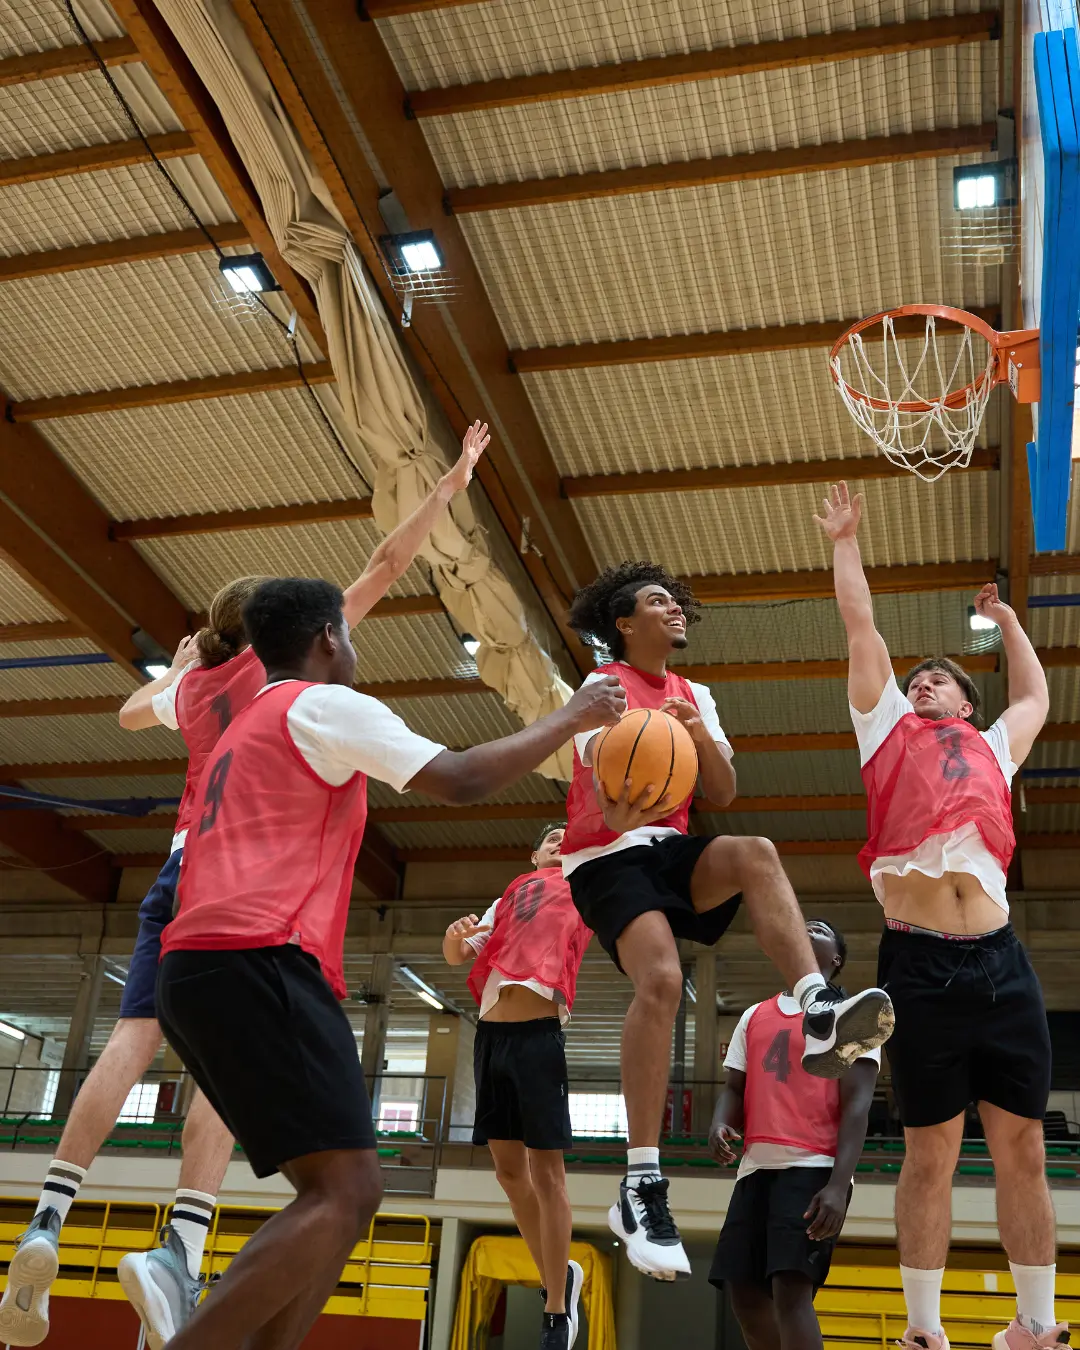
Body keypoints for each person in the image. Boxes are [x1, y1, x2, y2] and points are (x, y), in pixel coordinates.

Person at [0, 421, 491, 1350]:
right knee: (232, 1058)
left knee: (134, 1039)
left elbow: (126, 711)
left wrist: (179, 671)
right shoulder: (286, 676)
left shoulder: (197, 689)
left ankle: (49, 1216)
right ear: (296, 629)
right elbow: (388, 562)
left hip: (180, 865)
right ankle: (183, 1241)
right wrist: (451, 482)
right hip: (242, 880)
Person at [152, 575, 626, 1350]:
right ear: (329, 638)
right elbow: (462, 778)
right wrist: (571, 716)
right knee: (346, 1191)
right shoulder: (321, 703)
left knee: (338, 1195)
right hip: (257, 954)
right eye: (351, 631)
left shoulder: (241, 725)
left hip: (195, 968)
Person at [561, 561, 894, 1281]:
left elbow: (724, 789)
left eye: (676, 602)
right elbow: (615, 803)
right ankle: (641, 1182)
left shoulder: (694, 693)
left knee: (755, 852)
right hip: (604, 855)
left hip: (669, 847)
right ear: (624, 624)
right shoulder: (598, 689)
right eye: (658, 602)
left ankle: (820, 1009)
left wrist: (695, 735)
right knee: (661, 980)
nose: (675, 609)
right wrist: (643, 753)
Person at [815, 483, 1063, 1350]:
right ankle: (924, 1332)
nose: (922, 684)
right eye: (916, 681)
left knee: (1023, 1146)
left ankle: (1035, 1323)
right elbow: (862, 632)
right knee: (931, 1156)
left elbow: (1033, 699)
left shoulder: (994, 747)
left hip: (999, 963)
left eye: (939, 681)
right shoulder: (885, 730)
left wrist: (1010, 624)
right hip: (917, 965)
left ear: (964, 701)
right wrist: (846, 543)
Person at [443, 821, 588, 1350]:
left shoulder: (586, 886)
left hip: (537, 1037)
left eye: (571, 836)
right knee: (508, 1173)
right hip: (490, 1038)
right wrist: (454, 938)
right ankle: (559, 1277)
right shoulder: (508, 896)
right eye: (553, 837)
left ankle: (555, 1311)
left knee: (547, 1173)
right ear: (533, 854)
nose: (561, 841)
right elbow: (460, 955)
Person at [708, 920, 880, 1350]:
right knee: (745, 1297)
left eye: (820, 930)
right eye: (801, 926)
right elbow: (734, 1088)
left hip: (814, 1169)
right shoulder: (752, 1015)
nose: (807, 929)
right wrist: (719, 1123)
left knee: (790, 1292)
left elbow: (858, 1106)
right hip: (754, 1171)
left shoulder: (856, 1013)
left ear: (835, 959)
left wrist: (839, 1186)